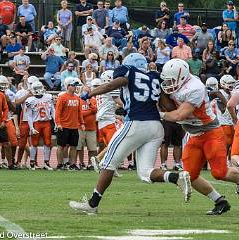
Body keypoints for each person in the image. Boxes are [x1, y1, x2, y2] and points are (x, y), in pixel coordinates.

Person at [69, 53, 192, 214]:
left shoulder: (129, 72)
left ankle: (92, 204)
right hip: (156, 126)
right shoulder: (154, 77)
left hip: (136, 122)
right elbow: (166, 105)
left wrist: (89, 94)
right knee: (145, 173)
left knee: (107, 163)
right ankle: (177, 177)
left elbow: (111, 85)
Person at [159, 58, 239, 214]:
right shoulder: (178, 86)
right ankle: (220, 201)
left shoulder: (195, 87)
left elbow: (179, 115)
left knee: (220, 172)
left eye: (172, 80)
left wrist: (157, 114)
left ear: (183, 77)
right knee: (189, 175)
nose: (168, 84)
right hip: (194, 134)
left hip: (210, 133)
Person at [55, 77, 85, 170]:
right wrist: (58, 123)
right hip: (63, 126)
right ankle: (60, 164)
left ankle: (71, 164)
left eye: (75, 85)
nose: (75, 87)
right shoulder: (62, 97)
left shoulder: (77, 98)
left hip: (74, 126)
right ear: (68, 86)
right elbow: (58, 112)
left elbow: (79, 112)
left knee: (73, 146)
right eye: (73, 85)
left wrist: (82, 123)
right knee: (61, 146)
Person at [26, 81, 54, 171]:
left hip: (46, 122)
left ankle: (46, 163)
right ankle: (32, 163)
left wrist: (56, 122)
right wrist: (31, 127)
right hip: (37, 123)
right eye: (36, 89)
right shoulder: (30, 100)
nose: (38, 90)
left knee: (48, 143)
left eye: (39, 88)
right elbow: (29, 115)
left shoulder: (48, 97)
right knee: (34, 143)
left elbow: (53, 110)